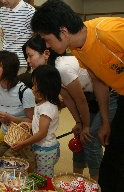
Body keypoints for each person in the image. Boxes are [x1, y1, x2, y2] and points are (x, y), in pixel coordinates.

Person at [31, 0, 124, 191]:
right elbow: (99, 81)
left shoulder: (108, 31)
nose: (46, 46)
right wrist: (106, 121)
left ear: (63, 32)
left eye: (47, 40)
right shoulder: (77, 48)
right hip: (121, 95)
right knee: (112, 166)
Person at [23, 34, 118, 181]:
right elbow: (68, 99)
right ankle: (76, 180)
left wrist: (85, 125)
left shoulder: (62, 68)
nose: (28, 61)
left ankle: (95, 184)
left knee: (89, 139)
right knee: (80, 136)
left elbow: (79, 100)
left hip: (108, 95)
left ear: (46, 53)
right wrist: (79, 123)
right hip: (90, 97)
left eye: (30, 55)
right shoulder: (51, 71)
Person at [0, 50, 36, 171]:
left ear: (8, 68)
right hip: (5, 138)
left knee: (7, 164)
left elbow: (32, 121)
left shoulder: (25, 92)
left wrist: (11, 119)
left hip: (21, 141)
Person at [12, 65, 61, 178]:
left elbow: (42, 133)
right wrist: (29, 124)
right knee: (38, 174)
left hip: (45, 150)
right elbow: (40, 126)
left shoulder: (47, 107)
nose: (32, 88)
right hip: (42, 147)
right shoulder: (42, 104)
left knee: (43, 178)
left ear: (44, 87)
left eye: (35, 85)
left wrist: (23, 143)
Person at [0, 0, 35, 74]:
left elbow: (36, 38)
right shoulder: (2, 11)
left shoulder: (30, 11)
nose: (3, 0)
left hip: (22, 63)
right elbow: (4, 35)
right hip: (5, 61)